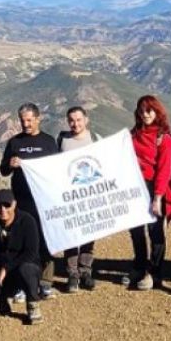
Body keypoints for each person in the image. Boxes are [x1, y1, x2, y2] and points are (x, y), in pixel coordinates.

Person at [0, 103, 58, 298]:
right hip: (21, 201)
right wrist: (10, 163)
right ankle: (22, 283)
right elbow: (3, 170)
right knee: (21, 242)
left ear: (38, 119)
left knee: (45, 240)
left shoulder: (49, 142)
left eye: (30, 120)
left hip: (44, 200)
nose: (26, 124)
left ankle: (46, 281)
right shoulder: (14, 142)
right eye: (23, 120)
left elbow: (57, 169)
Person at [127, 95, 171, 291]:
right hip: (134, 185)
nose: (145, 114)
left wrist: (158, 197)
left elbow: (164, 169)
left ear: (157, 111)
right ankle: (139, 264)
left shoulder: (163, 137)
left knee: (155, 230)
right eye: (142, 110)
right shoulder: (133, 134)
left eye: (149, 110)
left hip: (153, 186)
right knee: (135, 229)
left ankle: (155, 271)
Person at [0, 189, 44, 325]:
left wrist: (6, 269)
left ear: (14, 204)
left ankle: (32, 304)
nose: (3, 209)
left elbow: (31, 252)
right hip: (0, 270)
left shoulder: (27, 221)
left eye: (7, 205)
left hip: (23, 266)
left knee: (27, 270)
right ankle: (1, 299)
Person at [57, 106, 100, 292]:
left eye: (79, 120)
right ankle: (72, 273)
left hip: (90, 195)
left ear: (86, 120)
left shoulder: (96, 139)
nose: (75, 123)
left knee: (89, 234)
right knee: (71, 236)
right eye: (72, 120)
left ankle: (85, 271)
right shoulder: (62, 140)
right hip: (69, 196)